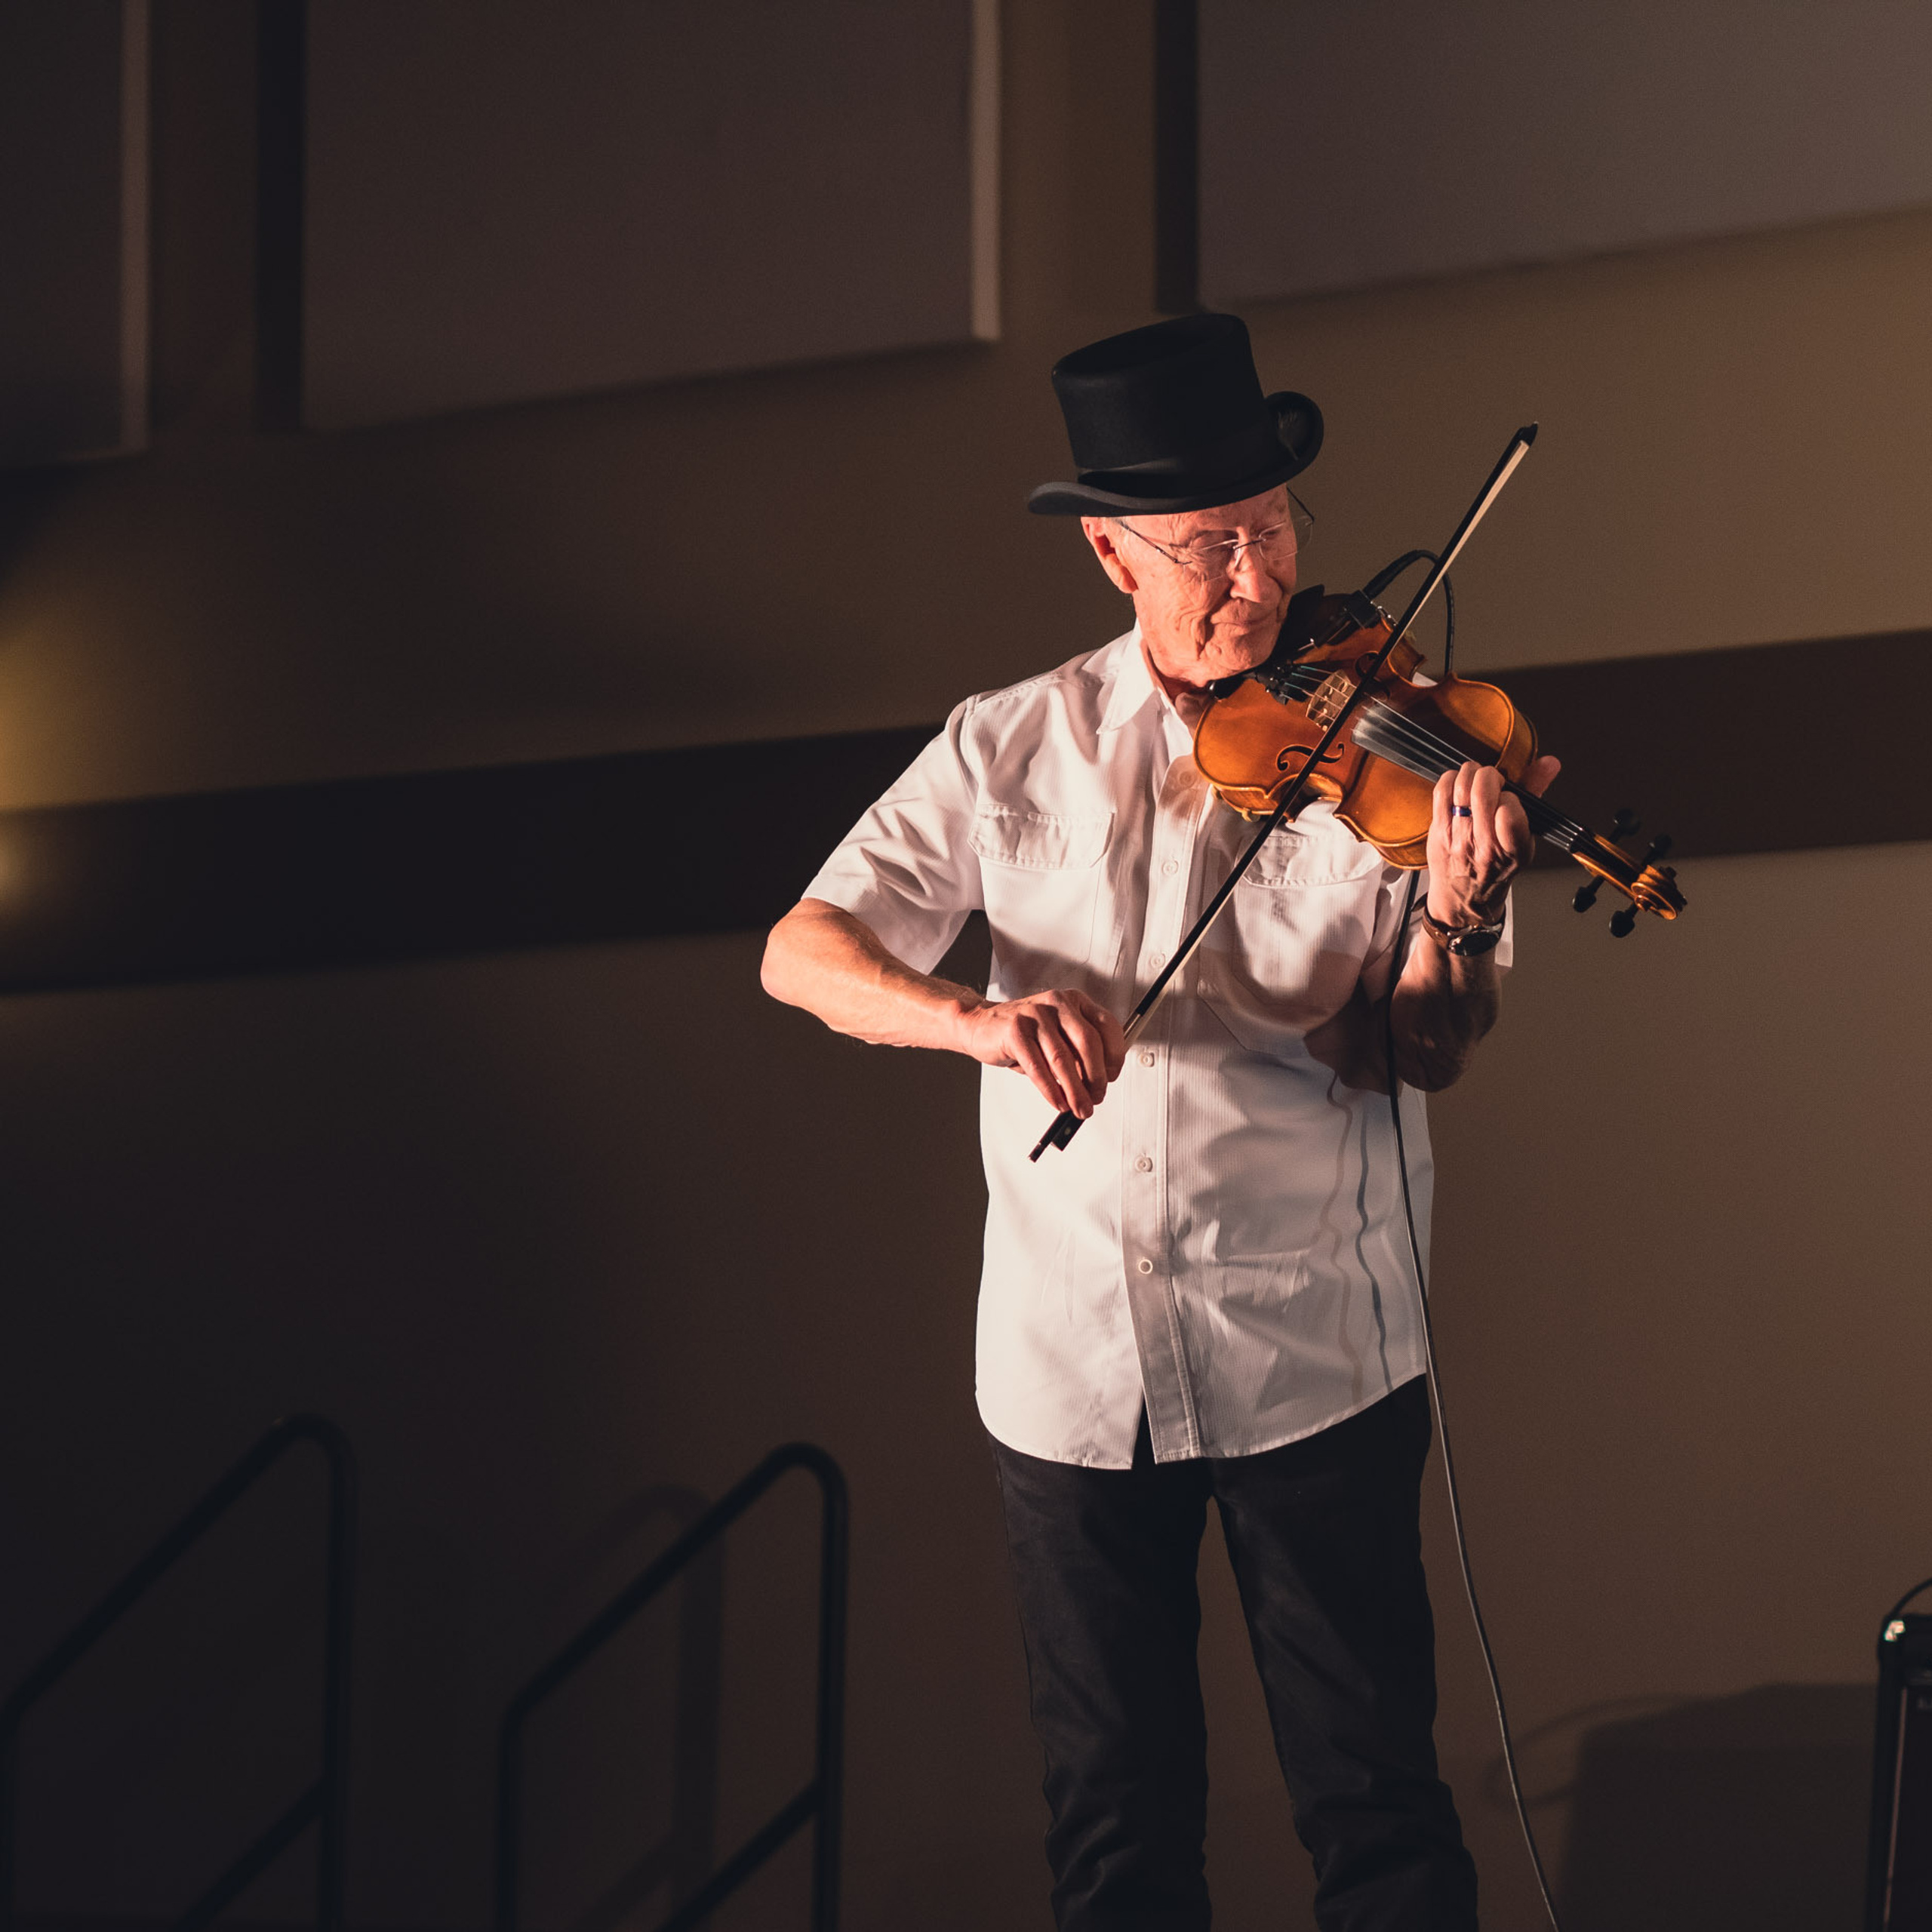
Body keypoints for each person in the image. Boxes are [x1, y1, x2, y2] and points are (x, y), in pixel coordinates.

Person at [761, 313, 1555, 1932]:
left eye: (1271, 532)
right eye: (1207, 547)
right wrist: (977, 1022)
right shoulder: (1007, 742)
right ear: (1112, 553)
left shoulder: (1389, 735)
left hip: (1313, 1349)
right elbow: (801, 951)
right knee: (1115, 1835)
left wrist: (1456, 919)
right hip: (1067, 1368)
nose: (1253, 581)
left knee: (1377, 1813)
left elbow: (1428, 1046)